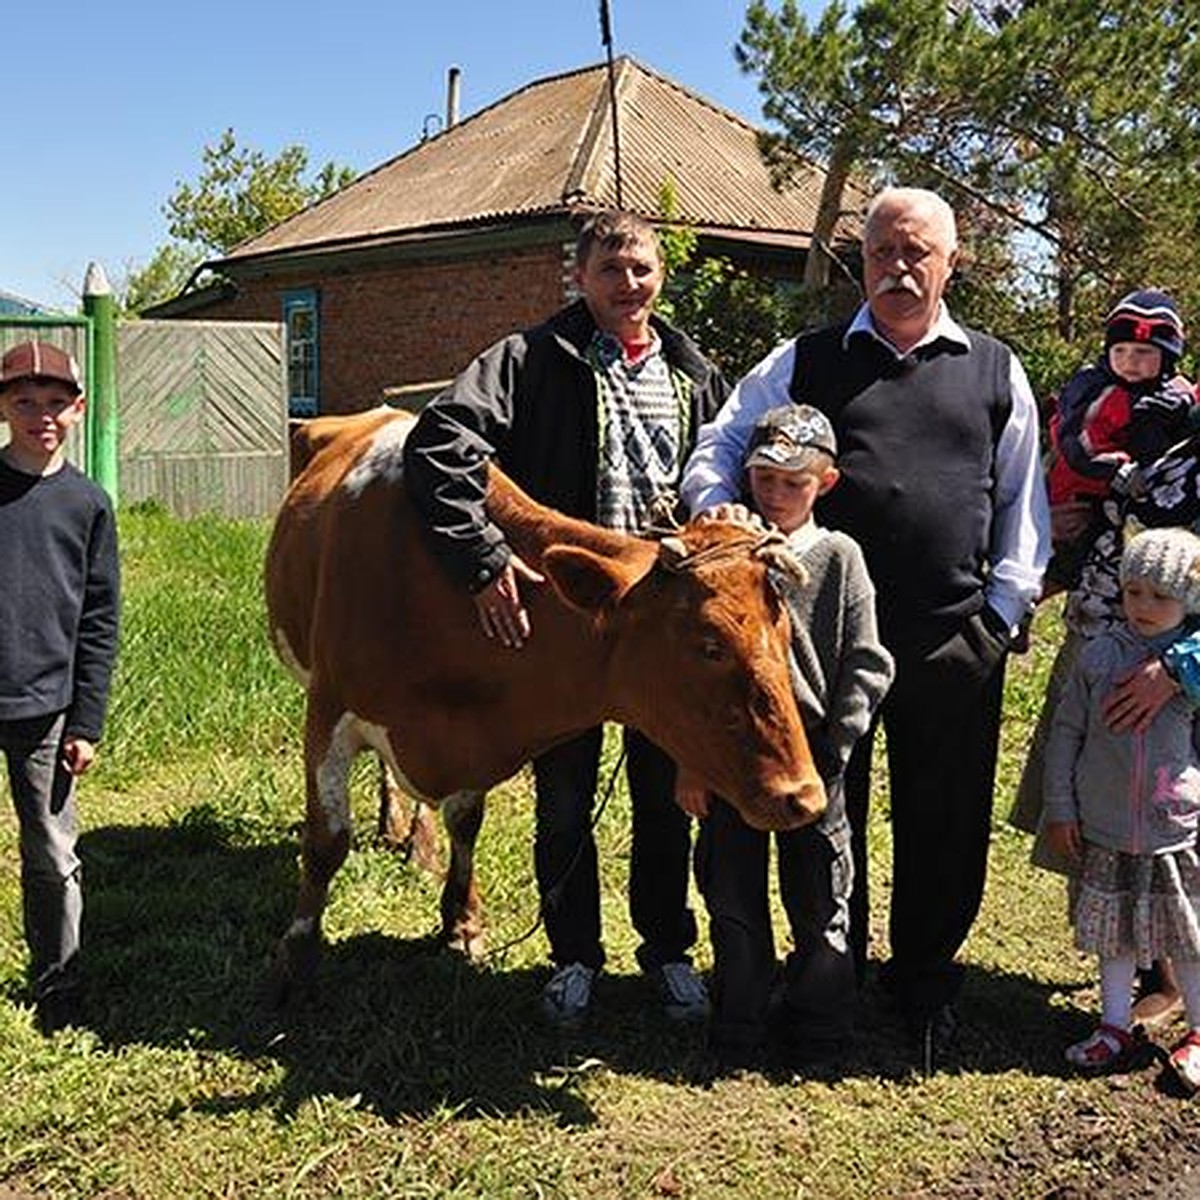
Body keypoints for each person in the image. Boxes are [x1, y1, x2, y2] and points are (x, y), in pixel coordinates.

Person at [681, 185, 1051, 1060]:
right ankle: (822, 984)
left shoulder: (995, 369)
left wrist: (996, 622)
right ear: (863, 260)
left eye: (917, 251)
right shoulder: (803, 360)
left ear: (952, 261)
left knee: (945, 819)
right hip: (813, 637)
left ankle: (923, 987)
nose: (898, 267)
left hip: (948, 635)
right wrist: (720, 515)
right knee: (818, 815)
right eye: (882, 251)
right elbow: (720, 446)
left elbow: (1024, 505)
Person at [402, 209, 729, 1026]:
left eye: (643, 269)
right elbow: (440, 445)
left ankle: (667, 953)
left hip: (664, 625)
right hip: (569, 625)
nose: (629, 285)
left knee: (665, 799)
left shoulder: (695, 374)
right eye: (611, 270)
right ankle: (575, 957)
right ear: (579, 279)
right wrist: (480, 561)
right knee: (563, 800)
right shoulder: (527, 361)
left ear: (662, 277)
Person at [677, 403, 893, 1068]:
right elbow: (689, 674)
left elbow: (867, 661)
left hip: (813, 756)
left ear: (824, 484)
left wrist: (839, 750)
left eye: (793, 483)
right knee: (732, 894)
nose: (777, 495)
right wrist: (693, 765)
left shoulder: (838, 557)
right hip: (734, 759)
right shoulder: (724, 558)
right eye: (765, 480)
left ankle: (819, 1030)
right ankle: (737, 1025)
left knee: (823, 896)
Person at [1041, 527, 1200, 1091]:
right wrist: (1060, 806)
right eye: (1134, 592)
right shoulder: (1099, 656)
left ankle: (1199, 1034)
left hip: (1174, 831)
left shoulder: (1192, 672)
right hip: (1104, 825)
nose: (1144, 607)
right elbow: (1066, 733)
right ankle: (1114, 1025)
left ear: (1190, 599)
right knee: (1115, 937)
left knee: (1185, 937)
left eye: (1161, 596)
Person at [0, 341, 120, 1034]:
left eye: (54, 404)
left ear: (76, 410)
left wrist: (87, 721)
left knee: (51, 852)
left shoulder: (87, 504)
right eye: (23, 402)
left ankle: (59, 987)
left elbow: (100, 621)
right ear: (3, 406)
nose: (39, 416)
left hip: (47, 710)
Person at [1044, 288, 1194, 593]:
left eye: (1143, 352)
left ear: (1167, 357)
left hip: (1126, 500)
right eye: (1120, 350)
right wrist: (1117, 470)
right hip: (1079, 489)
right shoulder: (1095, 388)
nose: (1129, 361)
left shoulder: (1170, 391)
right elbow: (1075, 443)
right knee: (1068, 554)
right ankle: (1022, 607)